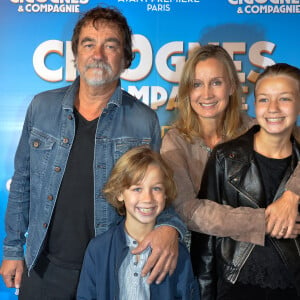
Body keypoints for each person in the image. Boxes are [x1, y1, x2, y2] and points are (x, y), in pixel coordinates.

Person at [0, 6, 185, 299]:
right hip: (44, 268)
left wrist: (171, 228)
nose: (98, 54)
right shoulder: (42, 108)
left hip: (109, 270)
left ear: (126, 59)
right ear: (76, 54)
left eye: (110, 46)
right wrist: (12, 248)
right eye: (89, 44)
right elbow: (22, 181)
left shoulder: (143, 120)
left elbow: (160, 193)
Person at [161, 45, 300, 247]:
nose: (207, 94)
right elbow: (186, 210)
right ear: (187, 91)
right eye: (197, 84)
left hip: (267, 251)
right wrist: (263, 221)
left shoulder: (258, 128)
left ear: (232, 86)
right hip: (203, 257)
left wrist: (291, 196)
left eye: (216, 82)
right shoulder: (175, 141)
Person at [191, 63, 300, 299]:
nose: (273, 109)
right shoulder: (225, 158)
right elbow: (206, 243)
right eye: (263, 99)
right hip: (235, 288)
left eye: (284, 99)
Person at [77, 146, 200, 300]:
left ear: (165, 194)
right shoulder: (98, 249)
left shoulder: (175, 252)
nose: (147, 198)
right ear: (120, 193)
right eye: (137, 189)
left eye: (156, 188)